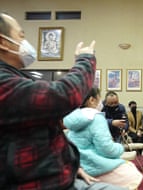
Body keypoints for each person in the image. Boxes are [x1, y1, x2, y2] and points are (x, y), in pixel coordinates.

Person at [0, 12, 101, 189]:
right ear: (3, 42)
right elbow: (66, 94)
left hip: (58, 175)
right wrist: (85, 59)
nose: (26, 42)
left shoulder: (15, 77)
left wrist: (70, 166)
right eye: (21, 36)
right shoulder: (4, 82)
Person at [63, 88, 143, 190]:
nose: (100, 102)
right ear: (92, 100)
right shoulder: (96, 117)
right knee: (132, 174)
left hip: (77, 165)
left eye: (116, 102)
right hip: (93, 166)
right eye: (99, 98)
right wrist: (120, 147)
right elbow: (107, 149)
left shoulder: (74, 117)